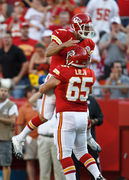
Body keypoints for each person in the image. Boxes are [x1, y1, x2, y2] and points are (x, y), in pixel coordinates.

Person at [12, 13, 100, 157]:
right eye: (84, 27)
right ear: (76, 26)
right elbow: (48, 53)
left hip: (72, 79)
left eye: (88, 27)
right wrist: (64, 45)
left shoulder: (89, 43)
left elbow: (86, 62)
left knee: (84, 110)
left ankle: (89, 138)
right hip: (57, 78)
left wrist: (86, 77)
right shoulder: (63, 34)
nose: (87, 30)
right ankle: (19, 137)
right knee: (45, 115)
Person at [39, 46, 105, 180]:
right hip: (82, 115)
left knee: (64, 155)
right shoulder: (90, 73)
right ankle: (98, 176)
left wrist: (50, 84)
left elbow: (43, 89)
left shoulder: (63, 70)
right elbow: (90, 91)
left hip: (67, 115)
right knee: (82, 152)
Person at [16, 86, 38, 180]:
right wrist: (21, 140)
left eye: (34, 91)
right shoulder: (23, 108)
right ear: (26, 94)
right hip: (30, 138)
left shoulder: (42, 105)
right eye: (30, 92)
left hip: (43, 137)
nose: (33, 93)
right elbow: (20, 125)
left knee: (47, 161)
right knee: (30, 161)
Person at [0, 31, 29, 98]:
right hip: (5, 81)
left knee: (17, 99)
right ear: (2, 39)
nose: (6, 39)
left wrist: (18, 77)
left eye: (8, 37)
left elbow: (25, 63)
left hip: (17, 80)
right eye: (5, 38)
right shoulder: (1, 51)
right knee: (5, 100)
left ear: (11, 39)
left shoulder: (17, 50)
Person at [0, 85, 18, 180]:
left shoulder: (11, 105)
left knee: (5, 164)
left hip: (5, 138)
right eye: (1, 90)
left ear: (8, 93)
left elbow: (13, 121)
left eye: (5, 91)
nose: (3, 92)